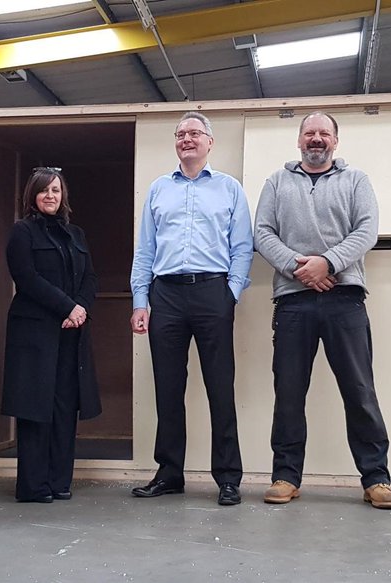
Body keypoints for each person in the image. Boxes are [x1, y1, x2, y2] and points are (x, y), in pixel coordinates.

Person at [253, 111, 391, 510]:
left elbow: (367, 230)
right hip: (293, 301)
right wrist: (300, 268)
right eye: (309, 133)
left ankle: (376, 479)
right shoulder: (276, 182)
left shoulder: (356, 181)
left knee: (358, 389)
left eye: (324, 133)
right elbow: (262, 233)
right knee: (288, 392)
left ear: (336, 140)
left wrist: (328, 263)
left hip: (345, 298)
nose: (316, 139)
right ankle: (285, 476)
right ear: (298, 140)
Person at [129, 111, 253, 506]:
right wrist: (140, 300)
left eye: (195, 133)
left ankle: (228, 478)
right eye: (181, 134)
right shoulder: (158, 190)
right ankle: (169, 473)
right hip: (165, 295)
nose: (187, 139)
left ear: (210, 142)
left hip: (212, 293)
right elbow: (145, 250)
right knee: (167, 388)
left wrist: (230, 293)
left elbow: (242, 247)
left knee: (220, 386)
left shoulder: (230, 189)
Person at [1, 167, 101, 503]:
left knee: (64, 407)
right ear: (32, 194)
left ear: (63, 196)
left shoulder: (76, 234)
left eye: (56, 190)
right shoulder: (22, 232)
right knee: (35, 407)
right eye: (44, 190)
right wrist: (67, 308)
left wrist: (81, 309)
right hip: (34, 334)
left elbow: (89, 278)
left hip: (71, 333)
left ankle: (60, 481)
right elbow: (27, 279)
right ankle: (33, 486)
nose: (51, 196)